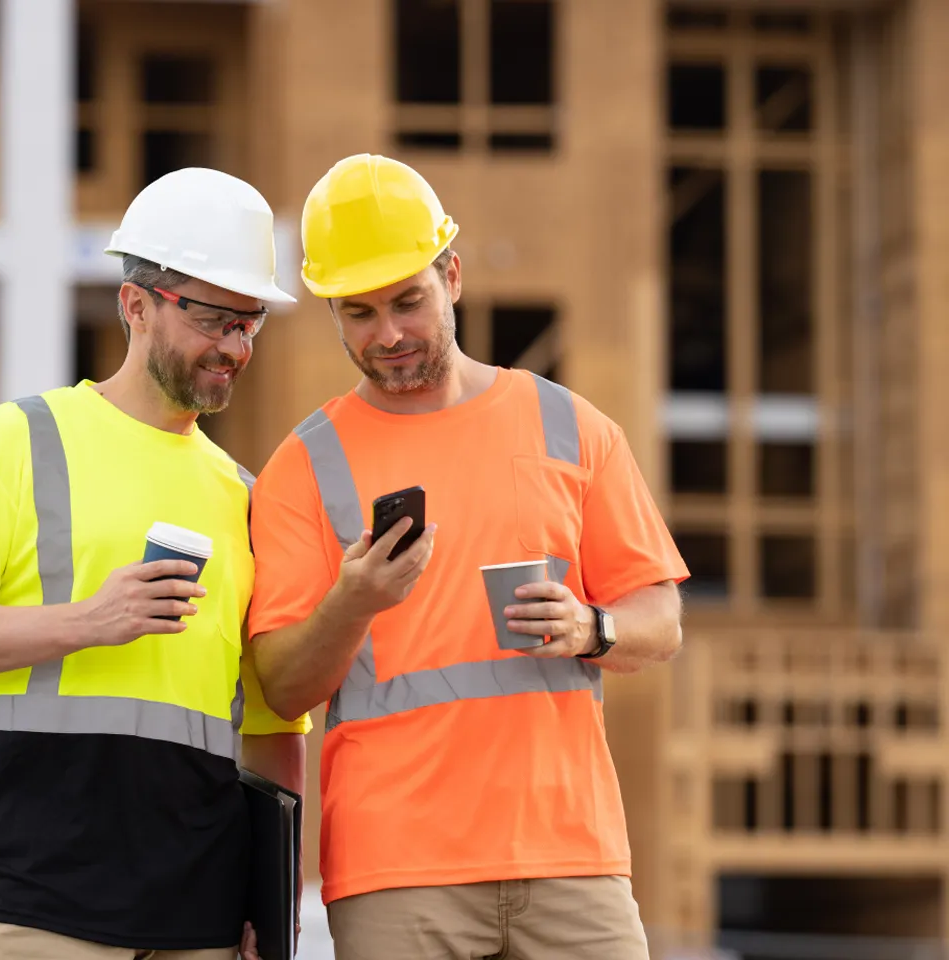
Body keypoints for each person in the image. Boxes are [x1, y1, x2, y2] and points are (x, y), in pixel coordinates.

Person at [247, 153, 690, 960]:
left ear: (451, 275)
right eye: (358, 313)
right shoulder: (303, 467)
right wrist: (355, 600)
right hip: (396, 872)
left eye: (407, 301)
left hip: (572, 859)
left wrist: (595, 626)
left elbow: (660, 620)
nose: (388, 335)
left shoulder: (571, 426)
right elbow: (279, 684)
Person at [0, 167, 309, 960]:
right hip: (42, 904)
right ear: (136, 305)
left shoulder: (246, 497)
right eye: (216, 317)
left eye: (250, 323)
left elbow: (270, 724)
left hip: (204, 917)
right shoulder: (15, 442)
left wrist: (274, 907)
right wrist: (91, 620)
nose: (235, 346)